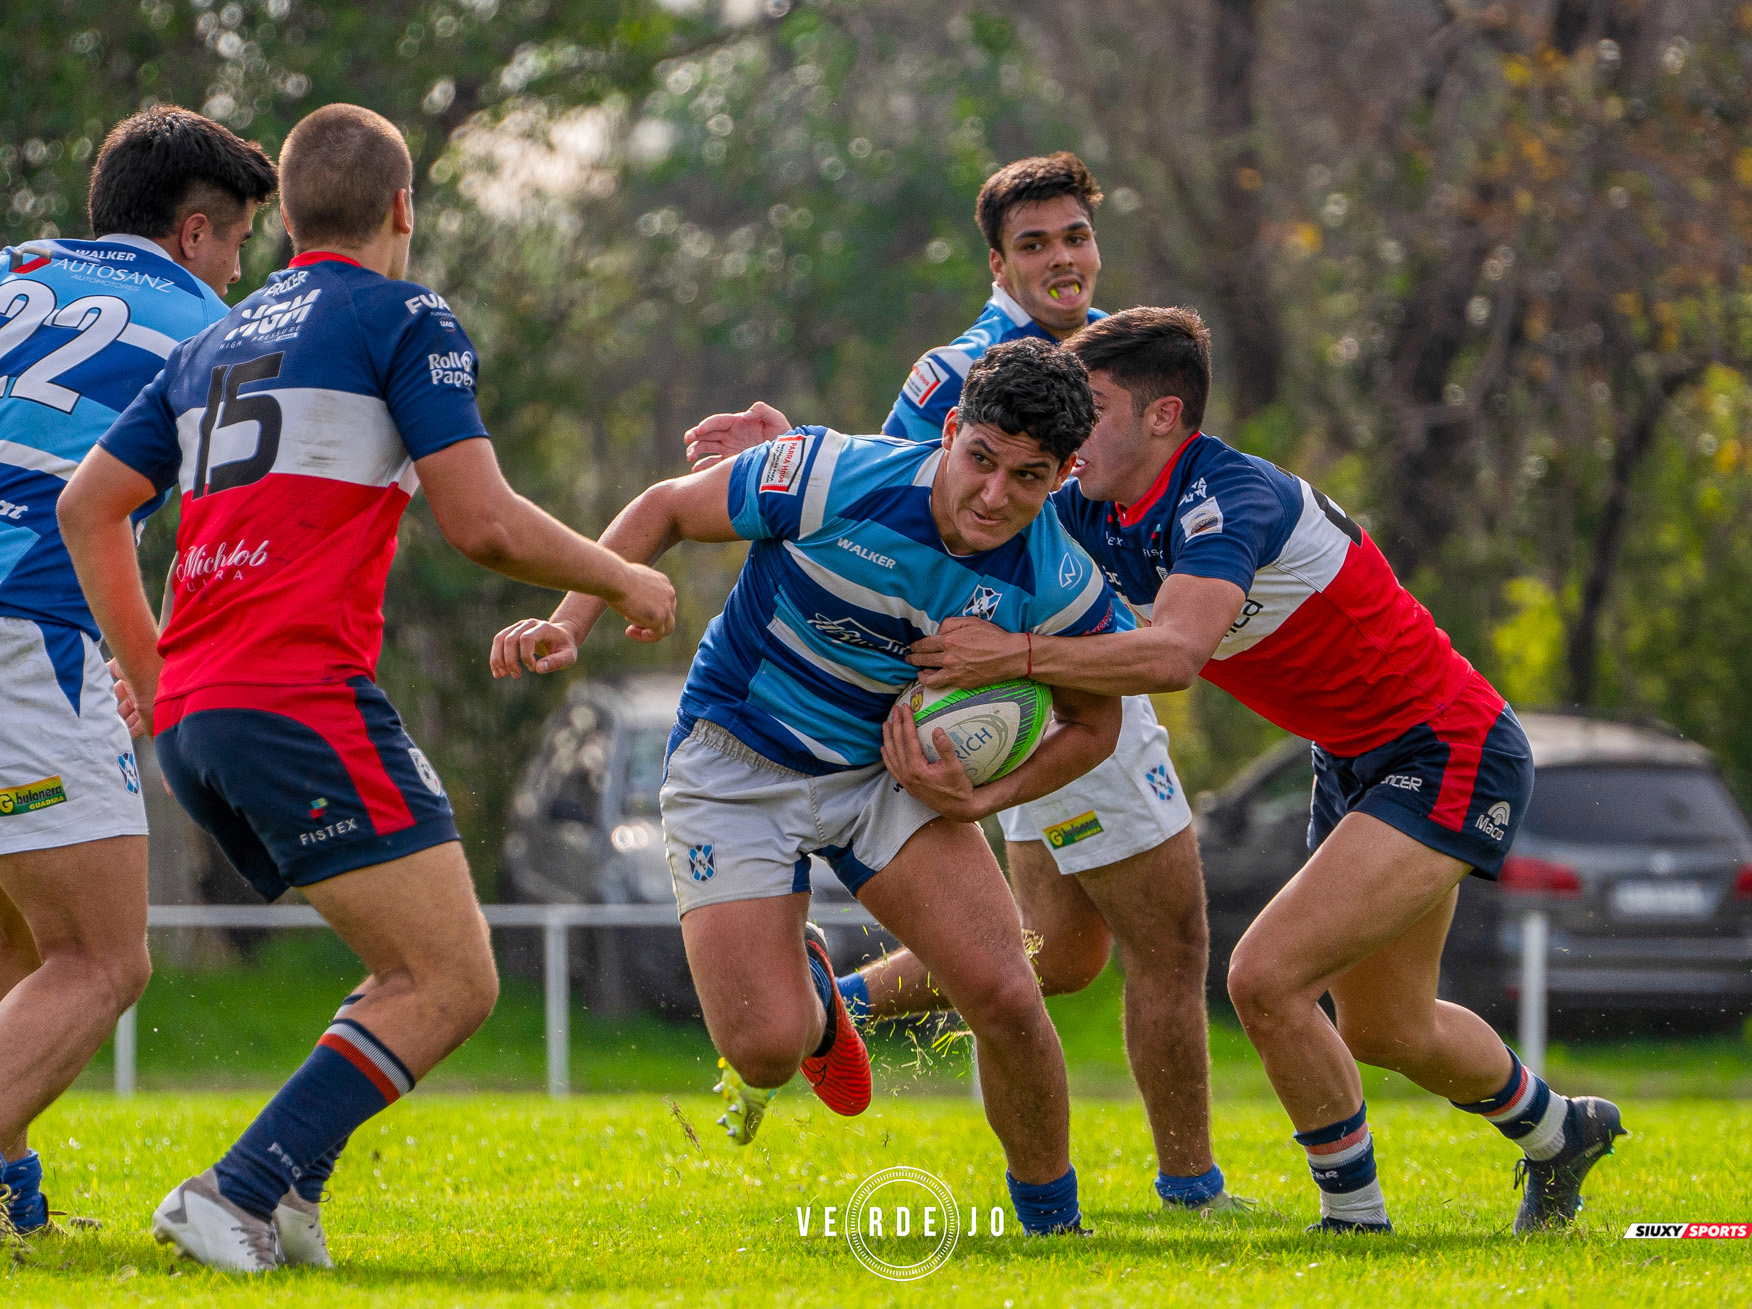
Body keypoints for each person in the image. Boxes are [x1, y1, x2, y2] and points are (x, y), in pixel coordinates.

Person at [58, 103, 675, 1273]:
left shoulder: (212, 342)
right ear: (402, 207)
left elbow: (87, 508)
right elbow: (483, 522)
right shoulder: (402, 314)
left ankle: (291, 1197)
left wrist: (156, 678)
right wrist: (622, 575)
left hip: (200, 716)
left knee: (406, 966)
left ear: (289, 218)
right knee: (453, 979)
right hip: (294, 694)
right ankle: (232, 1192)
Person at [903, 307, 1626, 1235]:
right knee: (1388, 1027)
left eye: (1095, 408)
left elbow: (1173, 656)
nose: (1071, 435)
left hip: (1448, 746)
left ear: (1164, 416)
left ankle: (1354, 1222)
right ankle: (1563, 1132)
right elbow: (956, 496)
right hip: (1354, 757)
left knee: (1265, 977)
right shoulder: (1092, 502)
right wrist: (796, 456)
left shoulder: (1227, 497)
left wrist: (1011, 655)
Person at [686, 153, 1239, 1214]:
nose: (1062, 259)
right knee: (1166, 941)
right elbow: (902, 499)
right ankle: (1191, 1186)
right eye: (1034, 244)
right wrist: (785, 456)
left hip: (1063, 670)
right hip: (1021, 679)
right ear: (997, 263)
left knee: (1058, 953)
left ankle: (833, 1004)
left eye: (1075, 235)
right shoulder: (956, 372)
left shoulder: (1115, 356)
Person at [492, 339, 1124, 1236]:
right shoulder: (831, 475)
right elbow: (667, 507)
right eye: (981, 458)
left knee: (1007, 992)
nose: (993, 495)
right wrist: (572, 620)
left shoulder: (1057, 581)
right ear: (950, 430)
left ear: (1061, 477)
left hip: (886, 772)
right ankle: (819, 1004)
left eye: (1027, 477)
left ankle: (1054, 1224)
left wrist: (983, 798)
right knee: (763, 1051)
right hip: (735, 759)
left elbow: (1096, 725)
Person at [0, 106, 275, 1238]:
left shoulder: (14, 270)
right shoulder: (210, 329)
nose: (242, 268)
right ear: (195, 231)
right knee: (102, 958)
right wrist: (162, 664)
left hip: (30, 631)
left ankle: (9, 1189)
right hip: (29, 628)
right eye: (240, 241)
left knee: (20, 940)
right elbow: (230, 529)